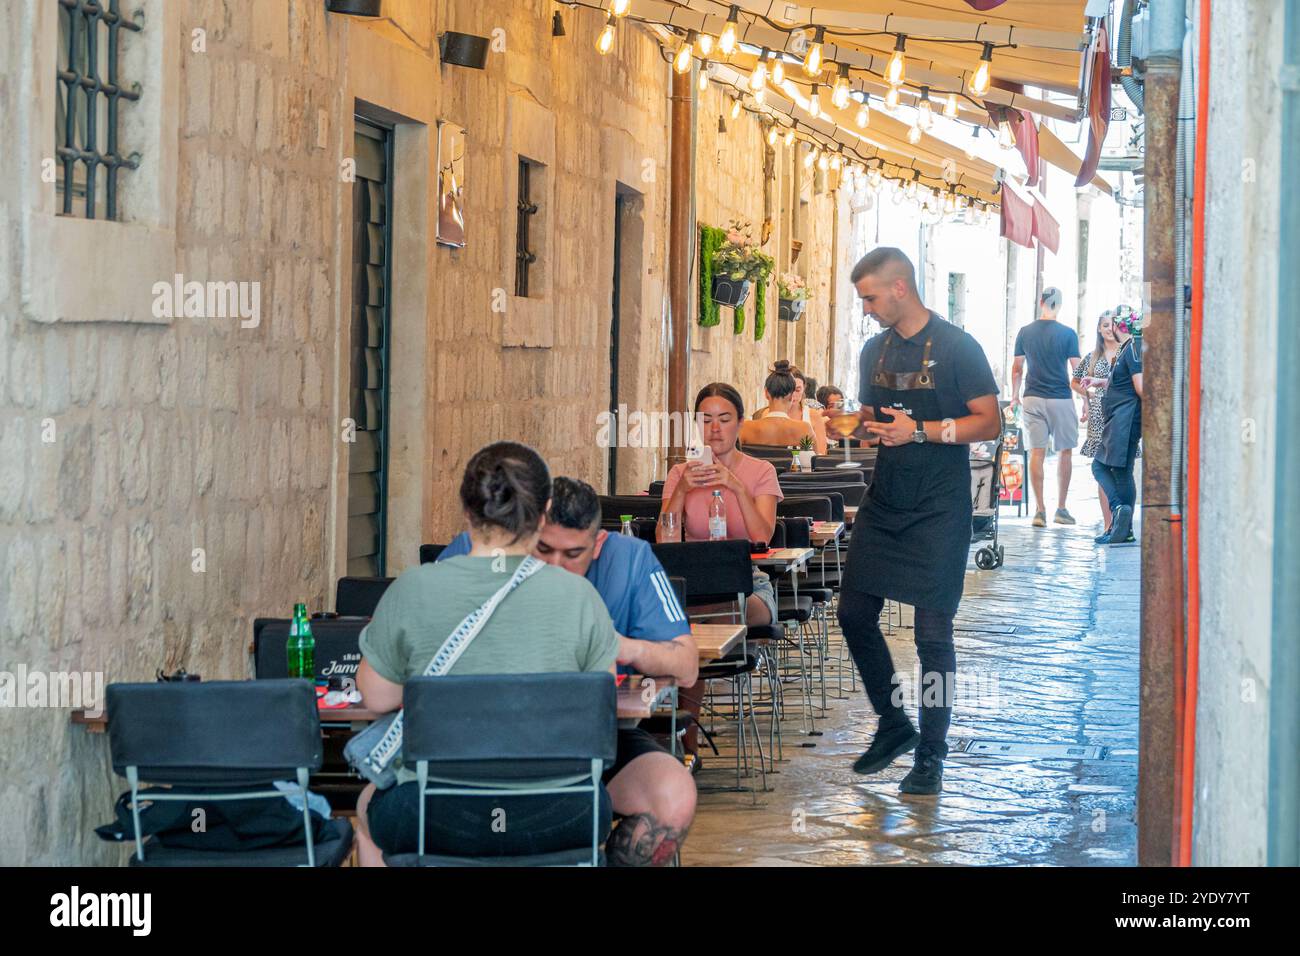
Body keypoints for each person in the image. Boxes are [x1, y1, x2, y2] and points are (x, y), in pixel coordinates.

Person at [353, 442, 620, 866]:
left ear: (466, 510)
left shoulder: (413, 588)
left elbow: (377, 697)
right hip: (562, 811)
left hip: (438, 811)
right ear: (545, 510)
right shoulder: (581, 598)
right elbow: (599, 707)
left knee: (367, 808)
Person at [437, 476, 698, 865]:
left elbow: (687, 665)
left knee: (673, 797)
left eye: (572, 554)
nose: (555, 566)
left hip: (592, 741)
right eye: (542, 549)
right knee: (379, 802)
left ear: (599, 545)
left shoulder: (631, 560)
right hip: (480, 742)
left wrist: (621, 645)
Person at [833, 248, 1001, 795]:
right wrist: (849, 427)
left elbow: (989, 421)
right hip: (887, 498)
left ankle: (931, 754)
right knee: (854, 612)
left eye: (871, 298)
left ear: (900, 288)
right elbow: (874, 422)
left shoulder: (958, 347)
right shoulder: (873, 351)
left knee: (933, 633)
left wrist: (923, 431)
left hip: (939, 503)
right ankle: (893, 722)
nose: (867, 309)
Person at [660, 383, 783, 761]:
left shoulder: (760, 471)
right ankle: (679, 744)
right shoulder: (680, 472)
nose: (715, 429)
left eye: (724, 419)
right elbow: (664, 542)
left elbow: (762, 535)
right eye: (706, 419)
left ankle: (684, 743)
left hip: (749, 584)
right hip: (695, 586)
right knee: (685, 622)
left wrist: (735, 487)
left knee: (689, 626)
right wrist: (680, 490)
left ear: (740, 424)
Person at [1011, 287, 1082, 527]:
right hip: (1060, 397)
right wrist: (1087, 396)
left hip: (1032, 397)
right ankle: (1061, 509)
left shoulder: (1024, 332)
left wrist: (1014, 396)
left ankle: (1040, 511)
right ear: (1059, 305)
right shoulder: (1068, 334)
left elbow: (1017, 368)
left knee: (1036, 452)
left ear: (1040, 301)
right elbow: (1077, 369)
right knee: (1065, 451)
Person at [1092, 307, 1143, 545]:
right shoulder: (1128, 349)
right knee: (1108, 468)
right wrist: (1100, 381)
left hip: (1125, 419)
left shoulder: (1133, 348)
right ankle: (1123, 523)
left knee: (1112, 470)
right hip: (1117, 419)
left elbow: (1140, 386)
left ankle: (1121, 515)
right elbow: (1121, 381)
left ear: (1116, 326)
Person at [1071, 310, 1122, 529]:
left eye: (1112, 325)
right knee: (1102, 469)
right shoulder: (1092, 357)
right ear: (1099, 330)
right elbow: (1074, 382)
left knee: (1119, 470)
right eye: (1104, 325)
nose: (1109, 329)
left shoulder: (1125, 352)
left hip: (1121, 415)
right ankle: (1108, 523)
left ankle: (1121, 521)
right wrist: (1088, 395)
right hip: (1098, 418)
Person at [739, 361, 817, 449]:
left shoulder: (745, 428)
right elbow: (817, 460)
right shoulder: (805, 430)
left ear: (766, 393)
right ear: (791, 396)